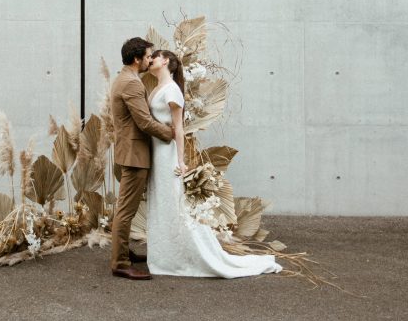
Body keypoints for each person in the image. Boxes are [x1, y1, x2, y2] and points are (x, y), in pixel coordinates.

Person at [145, 49, 282, 278]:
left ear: (165, 61)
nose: (150, 61)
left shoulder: (171, 90)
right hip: (156, 151)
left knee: (174, 203)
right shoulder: (157, 88)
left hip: (167, 154)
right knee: (162, 203)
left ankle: (185, 254)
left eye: (154, 57)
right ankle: (164, 254)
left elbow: (179, 129)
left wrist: (180, 160)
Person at [109, 37, 174, 280]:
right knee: (126, 210)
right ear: (137, 59)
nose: (150, 59)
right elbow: (144, 122)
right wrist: (171, 133)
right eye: (148, 56)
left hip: (130, 150)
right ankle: (120, 263)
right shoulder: (131, 84)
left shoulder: (125, 78)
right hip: (134, 153)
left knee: (126, 208)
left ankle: (124, 252)